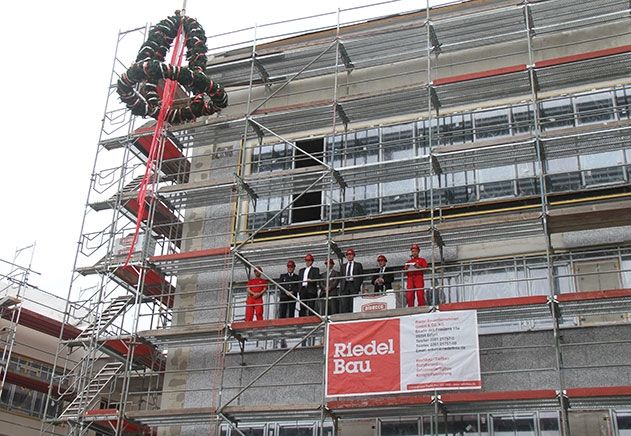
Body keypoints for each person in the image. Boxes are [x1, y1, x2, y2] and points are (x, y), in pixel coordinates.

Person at [340, 248, 363, 313]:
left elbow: (361, 276)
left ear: (353, 255)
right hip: (345, 285)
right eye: (347, 254)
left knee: (353, 302)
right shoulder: (343, 266)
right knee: (345, 303)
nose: (349, 256)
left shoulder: (358, 265)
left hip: (353, 284)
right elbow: (341, 277)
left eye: (351, 254)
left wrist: (357, 286)